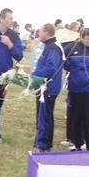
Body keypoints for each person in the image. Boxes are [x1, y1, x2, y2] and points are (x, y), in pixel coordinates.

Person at [0, 8, 24, 144]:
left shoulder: (14, 35)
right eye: (9, 18)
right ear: (1, 19)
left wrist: (10, 45)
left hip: (5, 76)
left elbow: (20, 55)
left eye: (12, 18)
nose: (12, 21)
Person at [32, 23, 63, 152]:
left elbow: (51, 68)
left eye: (40, 31)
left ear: (47, 33)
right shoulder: (49, 47)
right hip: (45, 86)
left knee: (45, 116)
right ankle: (44, 142)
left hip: (48, 88)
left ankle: (43, 144)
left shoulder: (52, 48)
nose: (38, 34)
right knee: (45, 115)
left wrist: (35, 75)